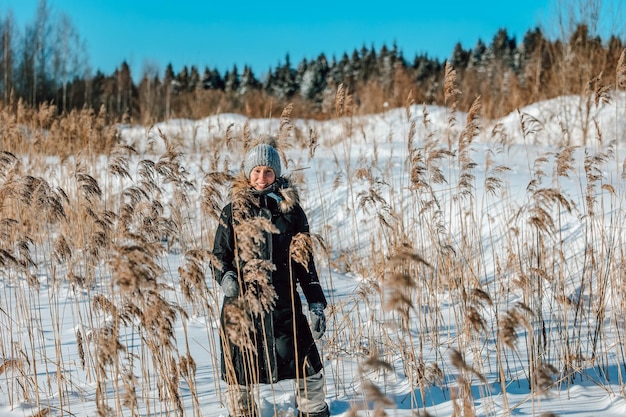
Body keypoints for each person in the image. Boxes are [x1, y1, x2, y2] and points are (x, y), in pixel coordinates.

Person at [212, 138, 330, 417]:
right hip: (242, 306)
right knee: (241, 368)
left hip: (284, 304)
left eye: (268, 171)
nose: (262, 178)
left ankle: (314, 411)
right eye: (256, 171)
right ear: (247, 173)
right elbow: (219, 255)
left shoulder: (292, 212)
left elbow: (305, 263)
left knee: (307, 363)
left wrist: (315, 302)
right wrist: (226, 277)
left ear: (276, 174)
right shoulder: (232, 212)